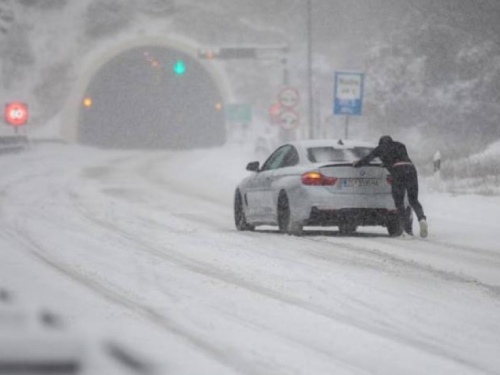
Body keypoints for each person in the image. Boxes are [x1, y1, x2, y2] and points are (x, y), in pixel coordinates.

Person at [352, 136, 428, 238]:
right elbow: (397, 157)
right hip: (411, 169)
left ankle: (407, 231)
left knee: (399, 202)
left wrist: (357, 164)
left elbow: (367, 159)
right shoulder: (401, 145)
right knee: (413, 199)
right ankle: (422, 219)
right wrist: (387, 163)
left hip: (398, 171)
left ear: (380, 143)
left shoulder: (379, 149)